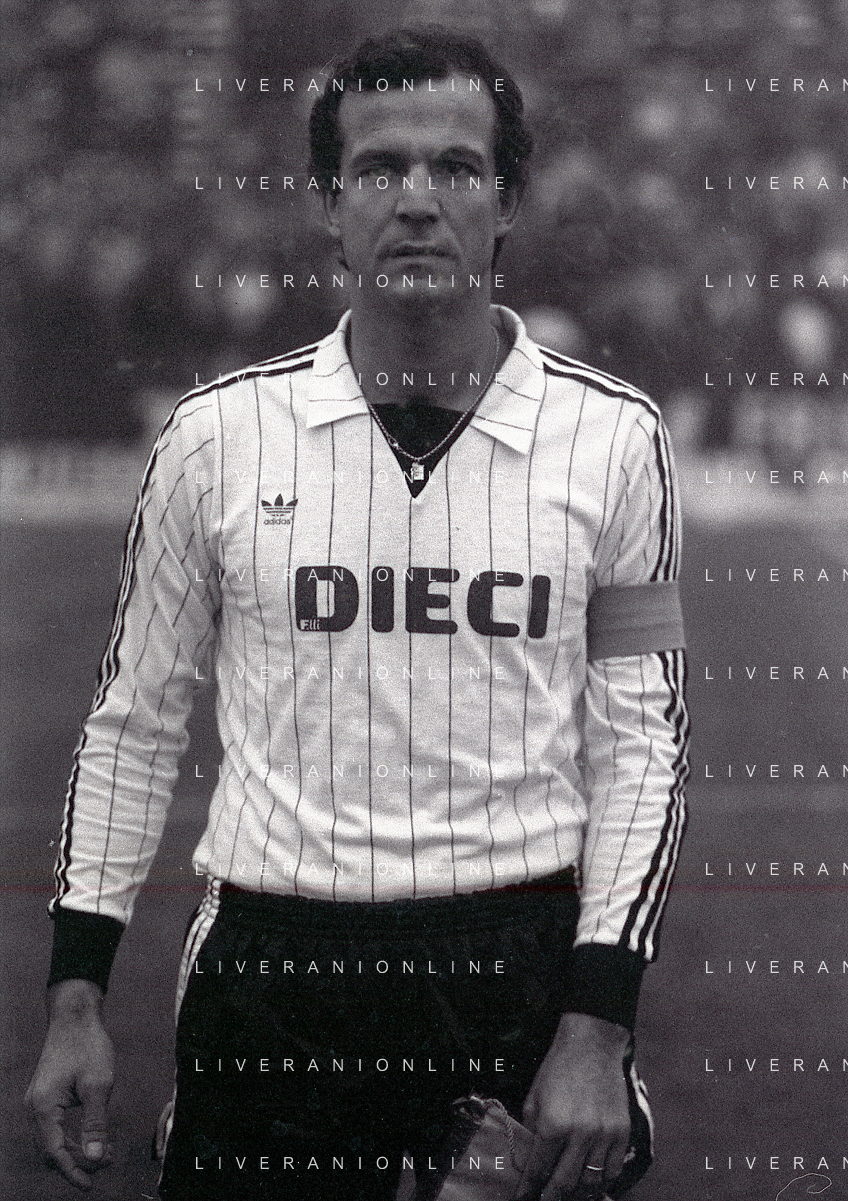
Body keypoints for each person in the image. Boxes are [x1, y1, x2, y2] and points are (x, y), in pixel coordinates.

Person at [25, 26, 689, 1201]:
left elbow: (642, 744)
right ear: (329, 204)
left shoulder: (617, 442)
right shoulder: (214, 440)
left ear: (506, 200)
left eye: (455, 167)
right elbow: (133, 722)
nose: (416, 199)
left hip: (517, 958)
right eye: (380, 167)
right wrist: (76, 995)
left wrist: (597, 1021)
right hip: (275, 961)